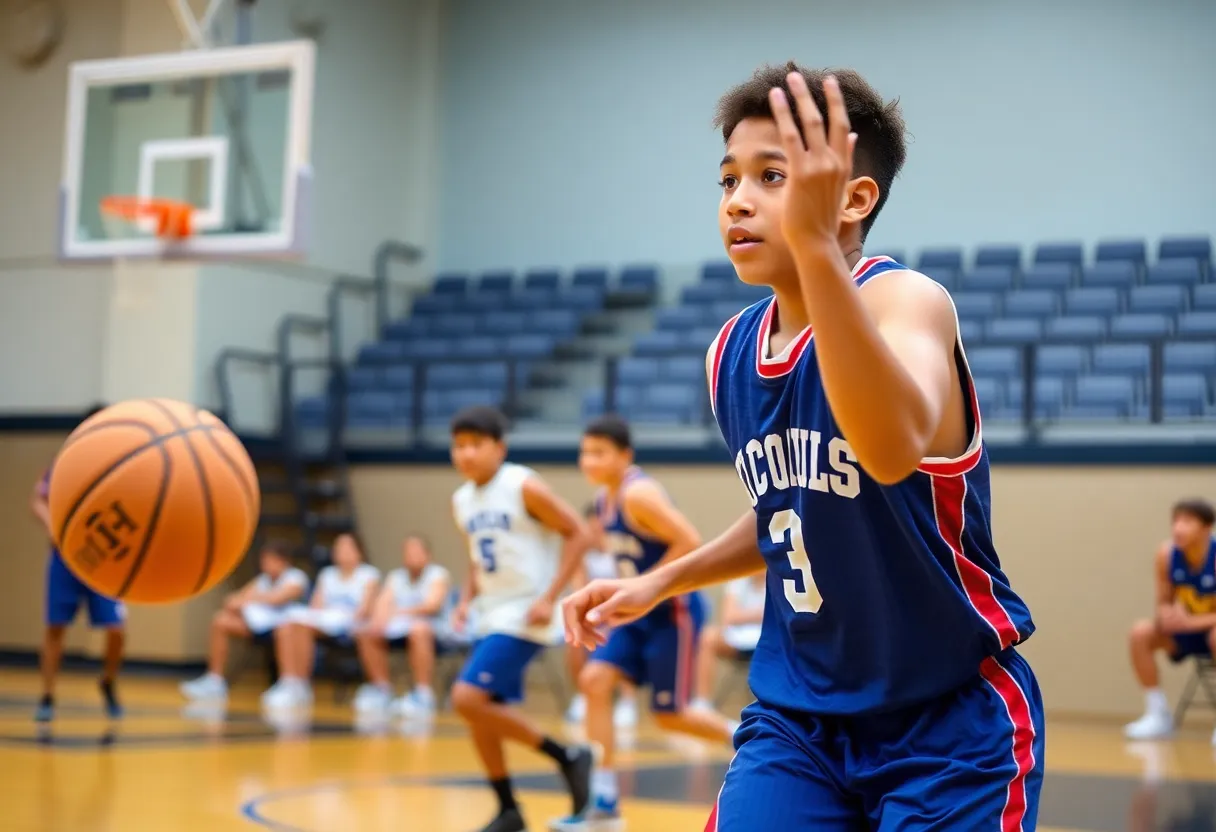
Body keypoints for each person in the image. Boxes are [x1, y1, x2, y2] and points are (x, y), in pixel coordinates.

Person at [561, 63, 1042, 831]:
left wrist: (818, 251)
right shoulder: (731, 353)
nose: (739, 201)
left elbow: (888, 451)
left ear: (853, 198)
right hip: (799, 723)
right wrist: (663, 581)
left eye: (773, 176)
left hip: (950, 719)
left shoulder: (904, 301)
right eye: (727, 181)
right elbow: (790, 512)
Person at [554, 415, 738, 830]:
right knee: (594, 681)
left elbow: (690, 539)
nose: (589, 461)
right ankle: (603, 800)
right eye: (585, 452)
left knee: (672, 715)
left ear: (625, 456)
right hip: (636, 615)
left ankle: (746, 739)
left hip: (671, 614)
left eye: (599, 453)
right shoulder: (605, 500)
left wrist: (645, 586)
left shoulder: (639, 495)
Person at [445, 405, 594, 832]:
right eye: (459, 446)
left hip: (527, 611)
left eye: (476, 444)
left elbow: (579, 532)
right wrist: (465, 598)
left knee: (466, 699)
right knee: (481, 712)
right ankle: (508, 807)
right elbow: (478, 556)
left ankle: (567, 756)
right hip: (490, 612)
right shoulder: (461, 500)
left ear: (499, 447)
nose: (466, 454)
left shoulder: (522, 485)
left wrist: (552, 595)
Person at [31, 404, 126, 723]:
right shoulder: (66, 463)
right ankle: (47, 696)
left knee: (117, 630)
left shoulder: (128, 464)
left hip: (107, 559)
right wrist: (53, 527)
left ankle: (108, 681)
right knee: (55, 628)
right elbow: (38, 500)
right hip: (65, 559)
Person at [1125, 498, 1216, 742]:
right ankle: (1158, 714)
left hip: (1210, 631)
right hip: (1186, 631)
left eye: (1187, 521)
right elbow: (1164, 601)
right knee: (1140, 633)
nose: (1178, 528)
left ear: (1207, 528)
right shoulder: (1167, 554)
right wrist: (1165, 615)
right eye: (1175, 521)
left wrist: (1190, 623)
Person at [180, 540, 310, 701]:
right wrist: (249, 599)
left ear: (282, 561)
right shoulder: (262, 580)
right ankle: (214, 680)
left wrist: (251, 599)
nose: (265, 565)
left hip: (287, 629)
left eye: (269, 560)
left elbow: (278, 598)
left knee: (285, 630)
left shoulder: (295, 577)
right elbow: (232, 601)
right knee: (221, 620)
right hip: (260, 626)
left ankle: (291, 685)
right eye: (263, 560)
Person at [261, 532, 381, 709]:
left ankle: (300, 683)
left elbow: (364, 610)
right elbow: (316, 606)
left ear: (359, 552)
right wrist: (321, 615)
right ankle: (291, 682)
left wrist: (341, 616)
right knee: (288, 626)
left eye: (347, 547)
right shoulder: (328, 574)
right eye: (338, 547)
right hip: (326, 620)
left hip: (351, 623)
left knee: (301, 626)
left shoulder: (368, 574)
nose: (342, 551)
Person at [353, 535, 451, 718]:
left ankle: (423, 694)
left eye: (416, 551)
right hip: (401, 629)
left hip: (435, 631)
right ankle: (382, 689)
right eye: (407, 551)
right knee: (367, 631)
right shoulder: (396, 577)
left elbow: (431, 606)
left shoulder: (438, 574)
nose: (411, 555)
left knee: (419, 629)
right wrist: (378, 620)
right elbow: (383, 603)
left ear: (427, 555)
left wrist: (399, 613)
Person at [564, 503, 640, 730]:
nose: (596, 533)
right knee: (574, 638)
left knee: (623, 637)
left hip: (620, 612)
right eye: (591, 528)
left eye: (600, 528)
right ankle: (582, 695)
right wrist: (592, 617)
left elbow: (627, 587)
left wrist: (608, 616)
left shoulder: (619, 553)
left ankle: (628, 701)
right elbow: (580, 588)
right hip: (593, 614)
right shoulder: (582, 555)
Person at [687, 572, 766, 713]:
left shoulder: (779, 579)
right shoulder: (739, 580)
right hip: (738, 640)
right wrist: (759, 613)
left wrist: (744, 615)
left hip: (767, 642)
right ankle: (702, 703)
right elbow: (729, 616)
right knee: (707, 636)